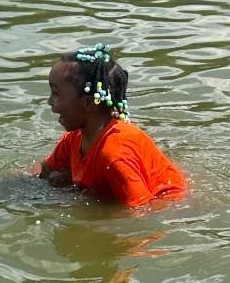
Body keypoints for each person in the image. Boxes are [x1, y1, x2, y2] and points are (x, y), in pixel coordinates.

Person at [28, 45, 187, 208]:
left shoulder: (115, 155)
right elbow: (44, 169)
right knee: (57, 179)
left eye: (56, 93)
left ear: (89, 103)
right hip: (114, 190)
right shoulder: (75, 138)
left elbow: (140, 213)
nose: (49, 102)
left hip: (166, 203)